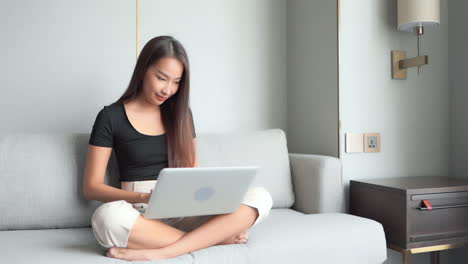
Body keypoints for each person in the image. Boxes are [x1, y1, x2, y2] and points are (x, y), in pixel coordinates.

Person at [82, 35, 273, 261]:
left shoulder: (182, 115)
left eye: (176, 82)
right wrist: (142, 196)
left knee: (261, 196)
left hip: (185, 207)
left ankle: (164, 251)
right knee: (106, 218)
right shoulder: (110, 117)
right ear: (143, 70)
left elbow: (193, 170)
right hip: (140, 210)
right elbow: (91, 188)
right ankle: (213, 239)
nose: (168, 89)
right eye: (162, 78)